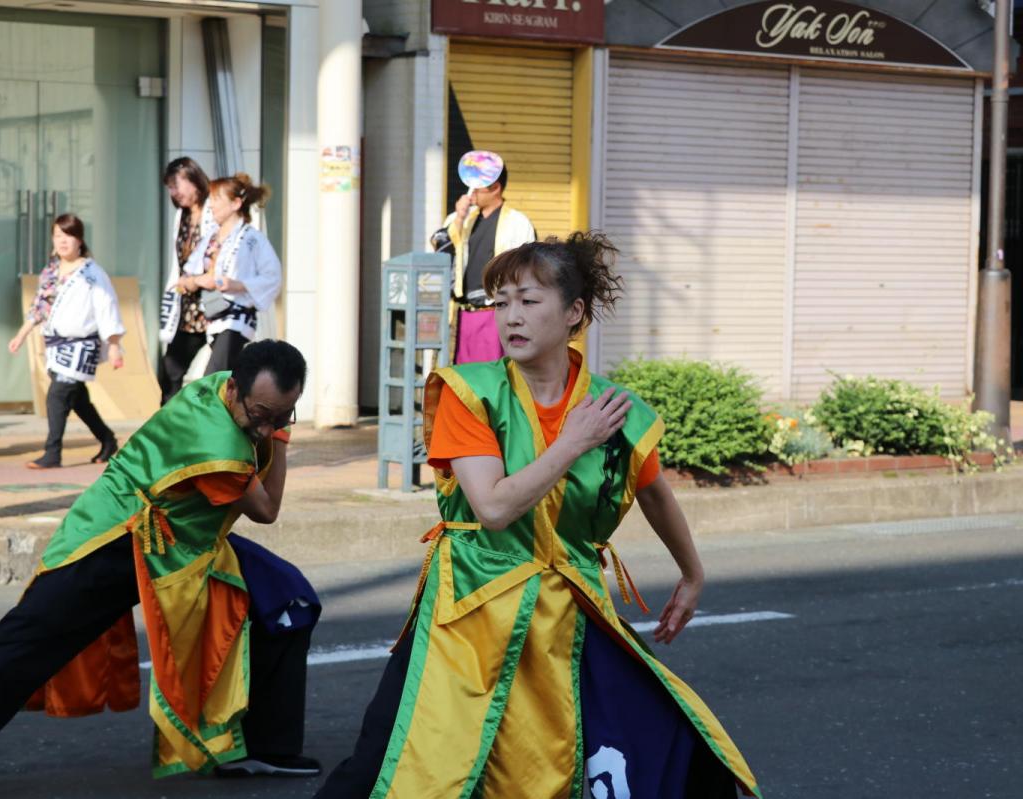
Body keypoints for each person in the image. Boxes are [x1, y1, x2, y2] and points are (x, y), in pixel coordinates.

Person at [315, 233, 761, 799]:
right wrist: (572, 443)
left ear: (574, 312)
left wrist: (692, 574)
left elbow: (655, 493)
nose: (510, 318)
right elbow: (495, 507)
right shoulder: (470, 392)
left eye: (528, 301)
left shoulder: (611, 408)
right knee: (397, 757)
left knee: (659, 738)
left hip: (569, 607)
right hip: (469, 607)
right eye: (500, 303)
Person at [0, 339, 322, 799]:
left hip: (183, 542)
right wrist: (280, 437)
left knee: (286, 598)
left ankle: (260, 747)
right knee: (7, 661)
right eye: (260, 415)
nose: (263, 428)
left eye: (281, 416)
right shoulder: (218, 443)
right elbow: (267, 508)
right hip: (113, 545)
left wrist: (270, 419)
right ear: (233, 387)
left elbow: (238, 485)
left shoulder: (217, 389)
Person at [8, 213, 125, 469]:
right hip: (55, 346)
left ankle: (53, 452)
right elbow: (39, 307)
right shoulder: (50, 272)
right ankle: (107, 439)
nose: (63, 241)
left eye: (68, 235)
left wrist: (114, 345)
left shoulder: (92, 273)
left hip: (81, 345)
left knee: (58, 395)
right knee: (77, 399)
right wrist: (21, 334)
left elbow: (107, 308)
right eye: (58, 235)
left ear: (79, 240)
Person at [431, 151, 535, 364]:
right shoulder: (458, 219)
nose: (471, 191)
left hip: (497, 313)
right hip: (460, 313)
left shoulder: (518, 222)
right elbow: (440, 250)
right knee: (459, 380)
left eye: (477, 185)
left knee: (496, 378)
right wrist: (459, 218)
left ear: (495, 187)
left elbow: (527, 272)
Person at [178, 173, 282, 374]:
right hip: (211, 313)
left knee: (214, 377)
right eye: (211, 199)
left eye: (216, 199)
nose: (211, 205)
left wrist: (237, 284)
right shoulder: (210, 237)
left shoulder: (252, 239)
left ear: (236, 203)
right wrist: (198, 280)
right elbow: (186, 277)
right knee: (223, 378)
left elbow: (273, 276)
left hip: (236, 319)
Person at [158, 157, 220, 404]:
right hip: (188, 304)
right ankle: (168, 424)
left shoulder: (214, 209)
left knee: (221, 372)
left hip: (214, 302)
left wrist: (198, 279)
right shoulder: (181, 215)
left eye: (176, 185)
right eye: (170, 187)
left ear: (194, 180)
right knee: (171, 368)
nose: (174, 192)